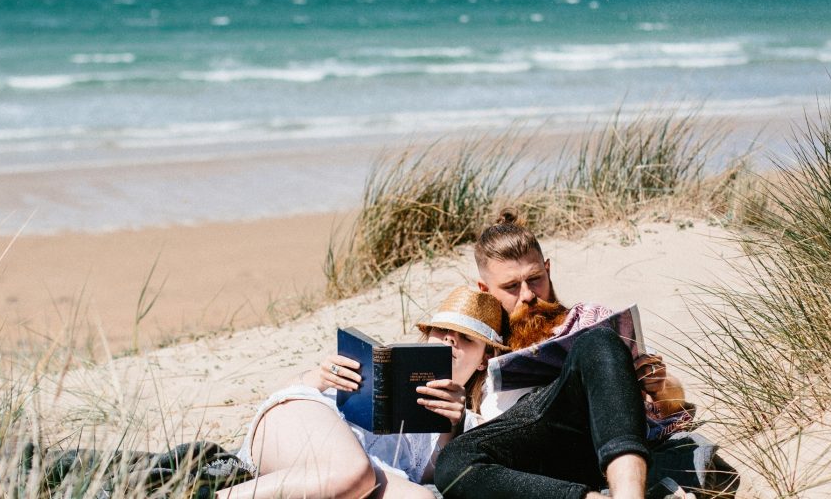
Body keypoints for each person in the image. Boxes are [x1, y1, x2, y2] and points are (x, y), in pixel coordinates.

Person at [434, 211, 738, 499]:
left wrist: (659, 386)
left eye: (535, 278)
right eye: (511, 287)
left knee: (597, 342)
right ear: (485, 289)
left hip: (597, 448)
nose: (527, 294)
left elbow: (673, 406)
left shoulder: (589, 321)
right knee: (454, 462)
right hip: (528, 468)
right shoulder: (479, 345)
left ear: (548, 270)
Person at [218, 287, 509, 499]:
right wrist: (320, 376)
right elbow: (287, 391)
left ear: (485, 358)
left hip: (365, 469)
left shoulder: (467, 422)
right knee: (353, 471)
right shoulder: (389, 364)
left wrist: (451, 428)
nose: (450, 339)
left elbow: (433, 474)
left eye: (466, 338)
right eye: (442, 330)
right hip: (304, 419)